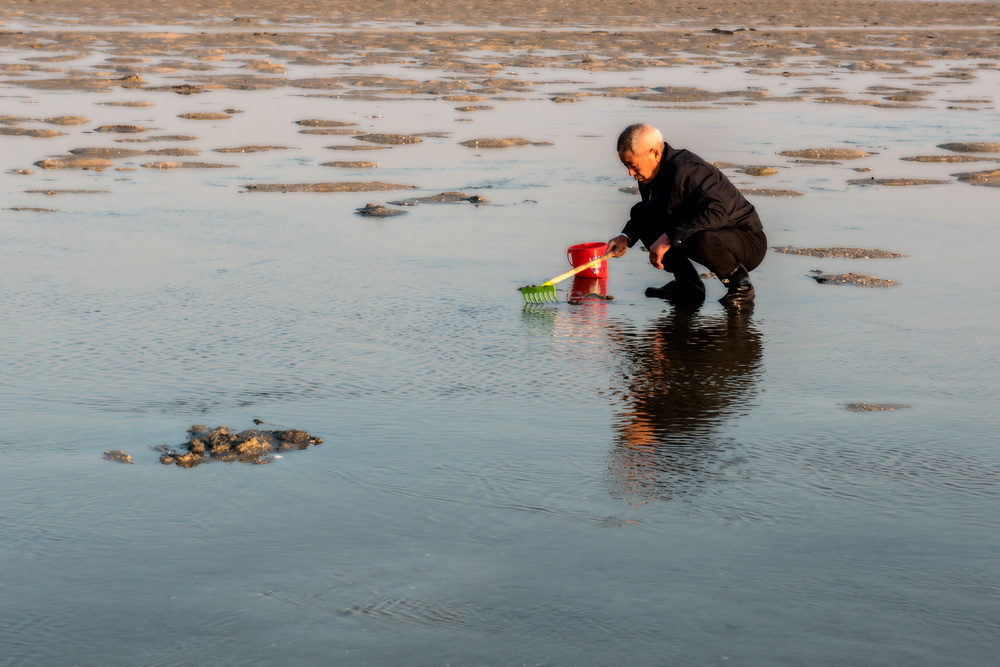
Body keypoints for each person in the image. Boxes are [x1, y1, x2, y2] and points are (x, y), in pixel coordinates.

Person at [605, 123, 766, 305]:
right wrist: (625, 236)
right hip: (709, 233)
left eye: (632, 165)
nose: (630, 173)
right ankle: (688, 285)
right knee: (642, 214)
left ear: (655, 153)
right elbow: (648, 212)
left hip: (746, 241)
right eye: (626, 165)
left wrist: (667, 238)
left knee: (698, 237)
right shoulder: (650, 172)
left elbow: (717, 213)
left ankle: (741, 287)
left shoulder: (688, 170)